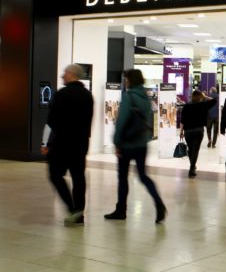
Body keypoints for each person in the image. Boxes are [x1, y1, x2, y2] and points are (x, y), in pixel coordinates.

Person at [105, 69, 167, 224]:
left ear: (130, 80)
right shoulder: (145, 97)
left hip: (127, 144)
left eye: (126, 79)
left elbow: (122, 121)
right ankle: (159, 203)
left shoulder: (129, 96)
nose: (125, 82)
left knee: (123, 178)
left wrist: (117, 142)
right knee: (143, 176)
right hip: (141, 144)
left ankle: (121, 210)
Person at [41, 64, 94, 227]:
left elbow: (51, 122)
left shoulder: (62, 94)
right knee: (78, 177)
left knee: (55, 174)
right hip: (80, 144)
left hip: (61, 144)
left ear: (71, 75)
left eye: (64, 73)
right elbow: (88, 123)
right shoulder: (87, 95)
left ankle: (72, 208)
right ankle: (79, 213)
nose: (62, 76)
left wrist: (45, 143)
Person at [180, 91, 216, 177]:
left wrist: (181, 131)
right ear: (200, 97)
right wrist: (205, 97)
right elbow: (214, 101)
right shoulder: (203, 105)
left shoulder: (186, 106)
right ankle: (192, 168)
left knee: (190, 149)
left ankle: (192, 166)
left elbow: (182, 120)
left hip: (188, 131)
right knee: (195, 150)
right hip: (198, 131)